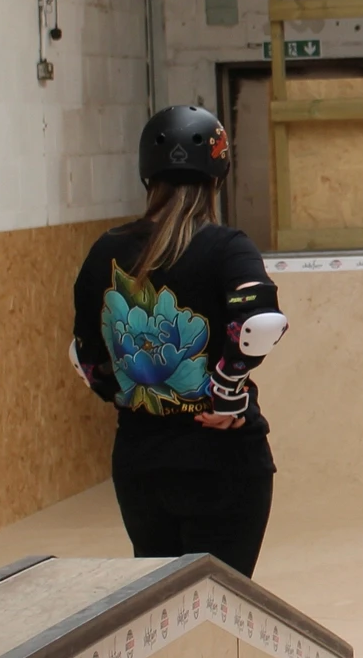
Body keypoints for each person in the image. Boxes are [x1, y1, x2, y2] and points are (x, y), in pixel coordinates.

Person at [69, 105, 287, 577]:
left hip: (141, 464)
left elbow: (85, 357)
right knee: (221, 603)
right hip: (223, 462)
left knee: (165, 606)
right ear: (218, 174)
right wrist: (227, 391)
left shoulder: (106, 250)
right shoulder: (226, 246)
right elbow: (261, 322)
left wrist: (127, 394)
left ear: (147, 173)